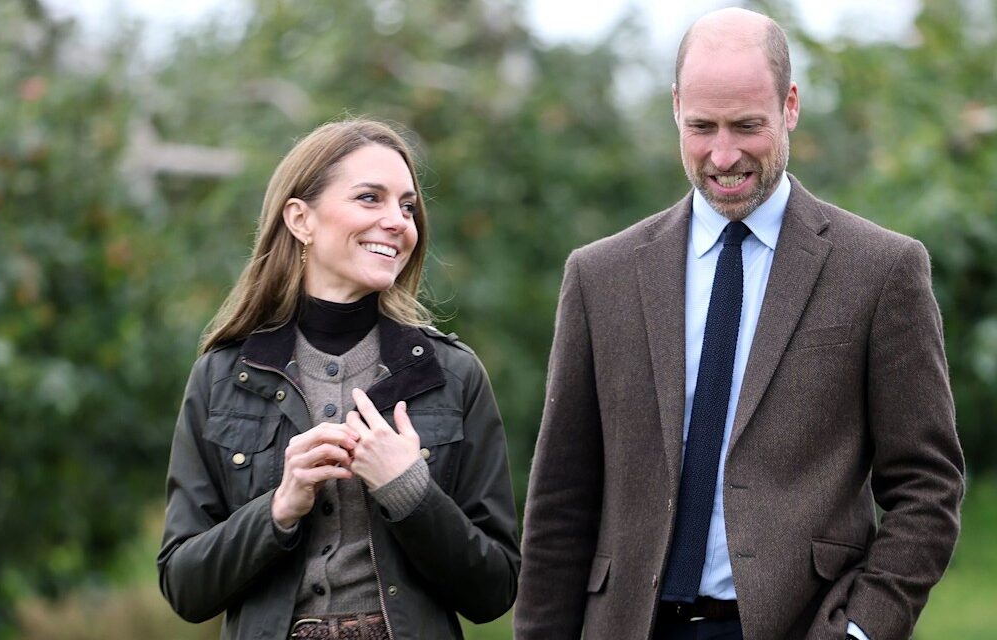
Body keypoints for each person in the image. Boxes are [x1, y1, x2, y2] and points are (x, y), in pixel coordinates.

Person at [515, 8, 964, 640]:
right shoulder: (599, 276)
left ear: (790, 106)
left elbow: (927, 487)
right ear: (675, 108)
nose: (723, 155)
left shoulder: (881, 269)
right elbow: (561, 499)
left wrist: (863, 630)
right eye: (702, 127)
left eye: (747, 126)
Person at [157, 119, 519, 639]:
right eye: (370, 198)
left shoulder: (453, 374)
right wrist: (278, 508)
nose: (397, 221)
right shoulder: (221, 377)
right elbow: (184, 587)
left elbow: (495, 591)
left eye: (408, 206)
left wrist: (410, 491)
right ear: (301, 219)